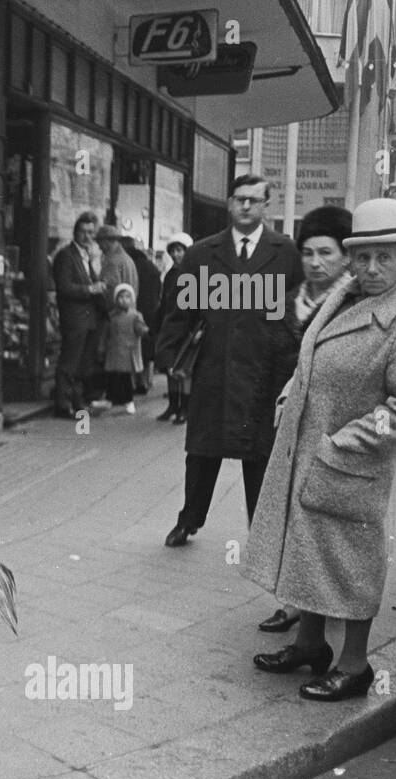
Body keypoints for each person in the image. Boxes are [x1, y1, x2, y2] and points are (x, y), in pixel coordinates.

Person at [244, 198, 396, 700]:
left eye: (384, 257)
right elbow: (311, 356)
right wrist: (290, 393)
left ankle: (354, 665)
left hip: (351, 464)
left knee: (352, 564)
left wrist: (344, 442)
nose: (371, 268)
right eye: (363, 256)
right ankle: (310, 645)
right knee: (310, 552)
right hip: (309, 452)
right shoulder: (345, 293)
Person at [155, 175, 303, 547]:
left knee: (259, 458)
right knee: (202, 453)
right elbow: (180, 312)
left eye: (255, 200)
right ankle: (188, 520)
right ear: (229, 203)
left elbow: (298, 314)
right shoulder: (203, 253)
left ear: (267, 205)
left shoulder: (285, 253)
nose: (247, 206)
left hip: (264, 375)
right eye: (240, 199)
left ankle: (262, 533)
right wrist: (170, 355)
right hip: (214, 370)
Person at [258, 205, 353, 634]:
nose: (316, 263)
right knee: (287, 518)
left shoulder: (351, 307)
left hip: (329, 431)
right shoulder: (286, 301)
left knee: (321, 525)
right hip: (283, 426)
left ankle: (324, 603)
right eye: (308, 253)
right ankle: (295, 601)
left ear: (346, 255)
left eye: (326, 253)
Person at [51, 211, 107, 418]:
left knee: (82, 364)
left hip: (89, 318)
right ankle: (63, 403)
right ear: (75, 232)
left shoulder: (87, 256)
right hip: (74, 318)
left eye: (91, 233)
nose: (87, 237)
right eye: (83, 232)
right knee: (69, 361)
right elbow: (64, 287)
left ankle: (77, 402)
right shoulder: (66, 256)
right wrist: (90, 290)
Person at [87, 225, 137, 407]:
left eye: (101, 243)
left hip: (115, 317)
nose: (100, 247)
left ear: (110, 242)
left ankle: (114, 396)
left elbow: (108, 290)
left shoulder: (113, 261)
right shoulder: (127, 260)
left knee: (112, 357)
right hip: (128, 314)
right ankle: (122, 397)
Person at [154, 233, 193, 423]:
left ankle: (184, 408)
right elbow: (164, 303)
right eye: (173, 251)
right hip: (170, 327)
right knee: (170, 367)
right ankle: (173, 405)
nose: (176, 255)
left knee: (183, 370)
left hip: (186, 329)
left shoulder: (194, 273)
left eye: (180, 250)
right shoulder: (170, 274)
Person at [120, 234, 161, 392]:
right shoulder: (151, 266)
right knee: (147, 348)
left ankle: (134, 383)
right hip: (150, 312)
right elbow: (158, 290)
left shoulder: (129, 264)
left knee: (133, 348)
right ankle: (146, 381)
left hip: (133, 310)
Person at [100, 283, 148, 414]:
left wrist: (143, 330)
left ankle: (129, 401)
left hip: (127, 351)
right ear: (116, 299)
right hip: (114, 350)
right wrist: (101, 347)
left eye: (127, 297)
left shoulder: (135, 315)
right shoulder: (111, 316)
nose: (124, 300)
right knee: (112, 376)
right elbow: (105, 333)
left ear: (131, 299)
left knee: (126, 378)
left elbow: (139, 328)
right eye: (121, 297)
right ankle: (110, 398)